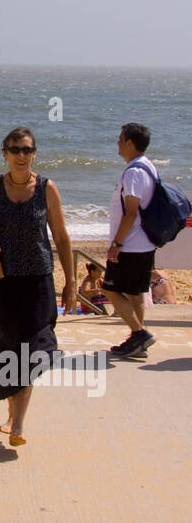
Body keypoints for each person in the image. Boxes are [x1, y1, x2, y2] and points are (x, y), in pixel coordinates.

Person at [0, 127, 76, 447]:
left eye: (27, 150)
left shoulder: (47, 189)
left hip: (39, 282)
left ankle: (19, 422)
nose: (22, 155)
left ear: (34, 154)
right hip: (3, 283)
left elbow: (61, 238)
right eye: (15, 149)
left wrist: (71, 282)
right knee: (10, 347)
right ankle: (11, 414)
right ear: (5, 154)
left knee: (37, 349)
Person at [102, 123, 158, 358]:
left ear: (130, 143)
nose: (117, 143)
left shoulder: (134, 172)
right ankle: (138, 343)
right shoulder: (149, 167)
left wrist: (117, 244)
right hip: (143, 244)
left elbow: (131, 212)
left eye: (120, 139)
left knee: (110, 289)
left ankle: (139, 333)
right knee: (135, 293)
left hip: (131, 246)